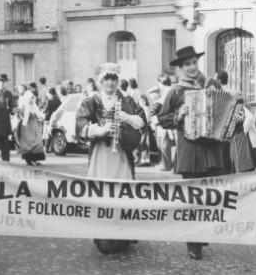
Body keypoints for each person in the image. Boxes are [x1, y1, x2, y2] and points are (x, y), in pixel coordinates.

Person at [158, 45, 224, 260]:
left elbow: (229, 113)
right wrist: (179, 114)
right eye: (187, 64)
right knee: (192, 198)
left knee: (210, 197)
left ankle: (203, 233)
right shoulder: (176, 91)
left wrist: (228, 118)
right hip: (190, 151)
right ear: (180, 68)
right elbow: (163, 119)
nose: (192, 67)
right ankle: (193, 243)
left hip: (212, 149)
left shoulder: (212, 85)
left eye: (194, 63)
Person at [76, 63, 143, 254]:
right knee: (101, 194)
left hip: (121, 156)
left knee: (122, 194)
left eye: (114, 78)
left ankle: (123, 236)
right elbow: (80, 126)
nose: (110, 82)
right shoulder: (91, 101)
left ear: (118, 80)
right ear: (100, 81)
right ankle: (103, 236)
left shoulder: (127, 101)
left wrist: (126, 126)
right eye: (107, 79)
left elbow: (140, 124)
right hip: (100, 156)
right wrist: (100, 130)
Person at [14, 84, 45, 165]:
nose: (32, 99)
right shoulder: (25, 105)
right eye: (31, 98)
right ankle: (29, 159)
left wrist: (42, 117)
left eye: (33, 98)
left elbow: (38, 112)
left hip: (33, 125)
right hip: (27, 126)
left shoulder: (33, 105)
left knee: (37, 141)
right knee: (28, 143)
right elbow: (24, 116)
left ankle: (35, 159)